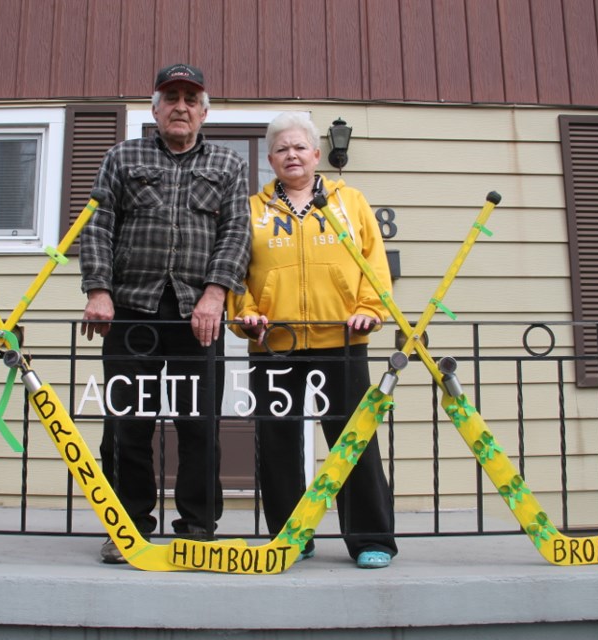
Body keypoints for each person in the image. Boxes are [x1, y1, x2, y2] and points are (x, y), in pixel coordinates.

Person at [79, 63, 251, 564]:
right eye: (171, 97)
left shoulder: (227, 164)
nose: (181, 106)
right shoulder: (121, 156)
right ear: (154, 108)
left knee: (198, 424)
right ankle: (127, 528)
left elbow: (237, 233)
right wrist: (98, 289)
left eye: (190, 99)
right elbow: (97, 224)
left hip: (198, 316)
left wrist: (216, 294)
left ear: (204, 111)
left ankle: (197, 527)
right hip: (130, 312)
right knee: (127, 423)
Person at [229, 111, 397, 569]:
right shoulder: (250, 210)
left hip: (342, 341)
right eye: (282, 149)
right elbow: (235, 275)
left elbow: (373, 264)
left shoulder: (350, 201)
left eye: (300, 147)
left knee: (353, 442)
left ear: (317, 154)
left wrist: (368, 310)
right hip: (273, 344)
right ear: (270, 159)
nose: (292, 155)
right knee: (278, 443)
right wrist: (245, 315)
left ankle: (370, 539)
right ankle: (292, 536)